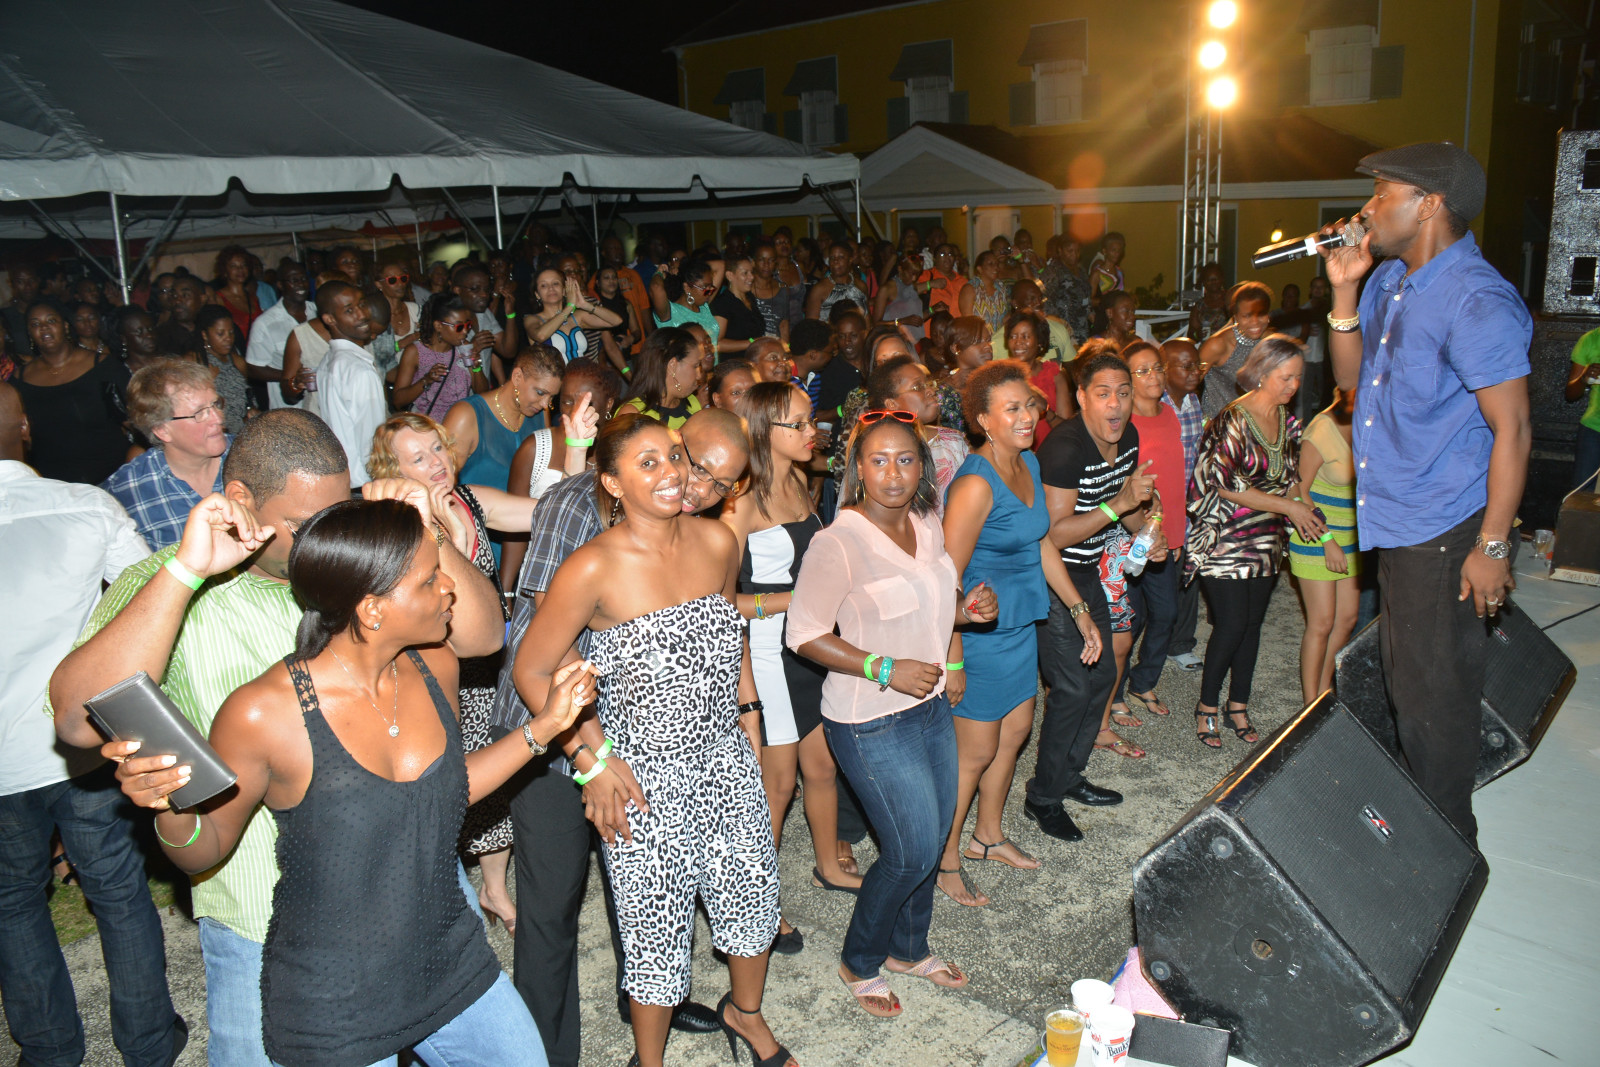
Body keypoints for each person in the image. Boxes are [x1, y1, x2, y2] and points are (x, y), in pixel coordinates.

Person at [48, 411, 489, 1064]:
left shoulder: (357, 563)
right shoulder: (174, 583)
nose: (324, 534)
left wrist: (422, 531)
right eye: (305, 523)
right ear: (241, 500)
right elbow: (74, 720)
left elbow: (481, 638)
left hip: (417, 884)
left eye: (337, 510)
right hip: (266, 914)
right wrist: (185, 574)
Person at [104, 494, 590, 1067]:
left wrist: (543, 728)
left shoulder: (435, 664)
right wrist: (170, 806)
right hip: (335, 999)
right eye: (429, 580)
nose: (448, 589)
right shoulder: (264, 714)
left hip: (449, 959)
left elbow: (448, 789)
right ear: (372, 609)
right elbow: (202, 850)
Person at [512, 414, 791, 1067]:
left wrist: (749, 715)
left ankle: (746, 1013)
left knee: (752, 896)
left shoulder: (718, 541)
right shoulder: (592, 567)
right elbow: (532, 670)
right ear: (612, 482)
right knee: (656, 932)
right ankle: (650, 1058)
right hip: (642, 775)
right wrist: (591, 762)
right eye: (647, 463)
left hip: (724, 756)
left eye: (673, 456)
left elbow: (727, 628)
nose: (671, 473)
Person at [1320, 142, 1531, 844]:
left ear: (1430, 204)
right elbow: (1350, 382)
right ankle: (1421, 829)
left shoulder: (1476, 299)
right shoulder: (1388, 280)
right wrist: (1344, 292)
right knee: (1405, 687)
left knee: (1434, 706)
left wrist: (1492, 546)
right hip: (1398, 517)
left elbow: (1514, 429)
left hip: (1445, 526)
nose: (1368, 208)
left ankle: (1444, 854)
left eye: (1384, 194)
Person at [787, 410, 997, 1019]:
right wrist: (884, 667)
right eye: (878, 461)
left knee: (931, 838)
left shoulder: (927, 523)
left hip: (929, 708)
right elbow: (802, 634)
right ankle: (860, 960)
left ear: (922, 467)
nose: (893, 473)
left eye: (905, 460)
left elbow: (932, 600)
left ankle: (909, 949)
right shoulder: (838, 542)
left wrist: (966, 611)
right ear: (858, 469)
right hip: (869, 719)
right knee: (908, 850)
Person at [0, 383, 186, 1067]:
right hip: (80, 742)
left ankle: (49, 1051)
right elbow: (146, 596)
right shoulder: (84, 505)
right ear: (25, 425)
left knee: (12, 902)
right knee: (117, 889)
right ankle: (148, 1042)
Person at [365, 409, 587, 934]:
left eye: (437, 448)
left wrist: (577, 447)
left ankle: (493, 887)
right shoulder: (394, 521)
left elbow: (558, 511)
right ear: (392, 471)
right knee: (446, 786)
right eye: (417, 458)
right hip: (437, 670)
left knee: (499, 777)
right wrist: (449, 532)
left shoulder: (470, 498)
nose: (435, 463)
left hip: (491, 666)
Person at [937, 361, 1098, 907]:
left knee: (1015, 733)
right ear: (983, 420)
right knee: (975, 752)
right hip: (979, 636)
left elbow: (1040, 542)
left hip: (1021, 625)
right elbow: (945, 579)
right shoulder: (974, 484)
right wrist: (953, 657)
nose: (1028, 415)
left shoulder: (1027, 459)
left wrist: (1078, 609)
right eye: (1012, 408)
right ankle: (946, 858)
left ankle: (988, 835)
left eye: (1030, 404)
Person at [721, 383, 855, 947]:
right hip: (767, 653)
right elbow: (719, 600)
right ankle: (757, 907)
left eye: (809, 420)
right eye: (798, 424)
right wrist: (793, 600)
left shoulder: (800, 480)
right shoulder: (738, 501)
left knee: (821, 767)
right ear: (763, 430)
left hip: (810, 644)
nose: (812, 432)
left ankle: (828, 865)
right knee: (775, 788)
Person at [1029, 352, 1161, 841]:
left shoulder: (1128, 436)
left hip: (1088, 570)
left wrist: (1146, 531)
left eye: (1123, 393)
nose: (1116, 404)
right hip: (1052, 576)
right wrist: (1118, 504)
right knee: (1071, 688)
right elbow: (1053, 535)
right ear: (1082, 397)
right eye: (1103, 393)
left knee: (1103, 674)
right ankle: (1042, 797)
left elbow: (1128, 509)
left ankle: (1069, 776)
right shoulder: (1065, 449)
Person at [1185, 334, 1319, 749]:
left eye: (1297, 377)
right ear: (1261, 373)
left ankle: (1238, 705)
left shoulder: (1287, 421)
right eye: (1285, 377)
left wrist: (1309, 513)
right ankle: (1207, 705)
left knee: (1253, 626)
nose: (1293, 385)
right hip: (1225, 536)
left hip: (1267, 540)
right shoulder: (1233, 419)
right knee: (1230, 625)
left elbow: (1293, 479)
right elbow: (1225, 485)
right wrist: (1289, 506)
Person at [1104, 340, 1186, 728]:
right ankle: (1115, 693)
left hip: (1166, 534)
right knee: (1130, 619)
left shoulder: (1171, 414)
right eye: (1142, 370)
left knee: (1167, 613)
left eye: (1157, 367)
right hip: (1131, 534)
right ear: (1128, 381)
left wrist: (1177, 532)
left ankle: (1143, 681)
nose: (1153, 375)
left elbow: (1175, 477)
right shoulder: (1123, 424)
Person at [501, 358, 625, 582]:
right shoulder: (535, 448)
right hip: (543, 576)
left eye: (587, 403)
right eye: (567, 401)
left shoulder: (620, 454)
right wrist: (506, 589)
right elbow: (513, 530)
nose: (576, 411)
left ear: (608, 404)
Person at [102, 361, 232, 551]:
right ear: (162, 430)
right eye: (200, 413)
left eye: (215, 404)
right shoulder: (126, 491)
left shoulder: (252, 453)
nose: (218, 418)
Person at [1290, 386, 1361, 705]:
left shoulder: (1368, 424)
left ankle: (1322, 693)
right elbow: (1298, 492)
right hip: (1317, 535)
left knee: (1347, 619)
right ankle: (1308, 707)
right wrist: (1327, 539)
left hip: (1352, 538)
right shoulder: (1322, 429)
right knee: (1322, 622)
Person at [13, 302, 131, 484]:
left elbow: (132, 419)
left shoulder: (104, 367)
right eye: (35, 324)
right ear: (29, 332)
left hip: (109, 477)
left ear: (66, 326)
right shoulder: (20, 379)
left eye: (51, 321)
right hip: (55, 483)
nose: (44, 328)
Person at [1159, 336, 1207, 673]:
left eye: (1197, 365)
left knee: (1189, 576)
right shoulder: (1154, 405)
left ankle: (1180, 644)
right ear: (1164, 370)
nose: (1195, 372)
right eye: (1186, 366)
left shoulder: (1193, 402)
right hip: (1159, 508)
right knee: (1157, 582)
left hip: (1189, 506)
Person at [866, 355, 968, 513]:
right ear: (892, 404)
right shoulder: (873, 450)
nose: (931, 391)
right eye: (917, 387)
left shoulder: (953, 442)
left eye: (929, 384)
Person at [310, 281, 385, 488]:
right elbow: (372, 441)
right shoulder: (359, 370)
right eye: (349, 310)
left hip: (344, 476)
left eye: (362, 305)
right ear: (329, 319)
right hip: (365, 480)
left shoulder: (329, 360)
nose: (362, 315)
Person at [396, 294, 492, 419]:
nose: (465, 332)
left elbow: (483, 394)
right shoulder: (415, 352)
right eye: (459, 327)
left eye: (468, 325)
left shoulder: (464, 348)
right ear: (438, 326)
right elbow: (398, 401)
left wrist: (477, 368)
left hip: (460, 423)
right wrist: (426, 380)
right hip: (428, 424)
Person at [1198, 281, 1273, 421]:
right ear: (1235, 316)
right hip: (1218, 425)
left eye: (1261, 314)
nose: (1255, 322)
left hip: (1255, 424)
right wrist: (1201, 422)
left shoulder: (1271, 341)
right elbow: (1189, 382)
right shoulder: (1218, 345)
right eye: (1247, 316)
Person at [245, 260, 311, 410]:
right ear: (280, 285)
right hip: (289, 409)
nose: (301, 284)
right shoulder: (265, 324)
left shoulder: (318, 312)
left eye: (303, 279)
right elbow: (254, 368)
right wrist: (291, 378)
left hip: (321, 404)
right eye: (294, 280)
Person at [526, 268, 621, 364]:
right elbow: (541, 336)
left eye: (555, 283)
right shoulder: (531, 319)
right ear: (537, 294)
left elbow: (616, 321)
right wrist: (569, 307)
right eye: (544, 285)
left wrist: (585, 305)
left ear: (564, 290)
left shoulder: (577, 317)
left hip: (583, 372)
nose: (551, 288)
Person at [621, 326, 704, 429]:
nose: (699, 375)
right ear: (672, 365)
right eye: (695, 366)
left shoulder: (692, 403)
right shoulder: (632, 414)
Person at [192, 305, 255, 434]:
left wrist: (251, 411)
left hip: (242, 432)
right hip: (214, 432)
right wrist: (207, 381)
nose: (228, 338)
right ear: (205, 335)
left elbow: (248, 397)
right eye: (220, 334)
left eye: (231, 332)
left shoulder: (237, 361)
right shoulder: (196, 361)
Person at [454, 263, 520, 383]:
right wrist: (471, 348)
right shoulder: (448, 320)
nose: (484, 294)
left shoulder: (484, 314)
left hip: (482, 390)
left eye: (486, 289)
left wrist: (510, 315)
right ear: (457, 290)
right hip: (457, 392)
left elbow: (508, 351)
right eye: (475, 289)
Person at [648, 255, 722, 349]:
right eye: (705, 287)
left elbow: (720, 265)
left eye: (711, 287)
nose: (709, 292)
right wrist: (659, 272)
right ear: (687, 288)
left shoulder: (704, 307)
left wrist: (684, 267)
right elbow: (656, 287)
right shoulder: (670, 313)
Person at [370, 259, 421, 384]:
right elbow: (374, 355)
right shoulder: (373, 316)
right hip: (385, 382)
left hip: (416, 380)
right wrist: (403, 343)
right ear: (379, 285)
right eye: (392, 280)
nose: (400, 284)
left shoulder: (415, 310)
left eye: (403, 278)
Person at [751, 238, 804, 344]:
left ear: (775, 264)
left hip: (776, 345)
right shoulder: (746, 288)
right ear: (754, 262)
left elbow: (784, 325)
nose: (766, 264)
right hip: (752, 345)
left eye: (771, 260)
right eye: (762, 260)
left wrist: (786, 349)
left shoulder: (782, 289)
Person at [712, 254, 766, 356]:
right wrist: (753, 342)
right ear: (730, 276)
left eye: (752, 272)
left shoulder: (750, 297)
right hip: (735, 362)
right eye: (745, 273)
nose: (751, 277)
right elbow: (717, 344)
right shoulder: (723, 303)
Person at [1040, 238, 1092, 344]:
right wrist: (1055, 319)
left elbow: (1085, 295)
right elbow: (1041, 296)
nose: (1074, 255)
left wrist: (1090, 312)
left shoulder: (1081, 271)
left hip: (1082, 327)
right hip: (1063, 329)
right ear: (1060, 251)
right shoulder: (1054, 271)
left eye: (1077, 251)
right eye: (1070, 251)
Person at [1567, 326, 1600, 491]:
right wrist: (1584, 378)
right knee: (1582, 497)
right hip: (1594, 430)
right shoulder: (1591, 339)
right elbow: (1570, 394)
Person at [592, 266, 643, 374]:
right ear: (598, 283)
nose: (611, 281)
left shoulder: (626, 304)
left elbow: (637, 331)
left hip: (625, 359)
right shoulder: (595, 306)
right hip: (603, 361)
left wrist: (630, 339)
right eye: (606, 278)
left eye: (614, 277)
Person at [806, 242, 870, 324]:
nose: (835, 261)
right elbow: (810, 324)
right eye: (832, 258)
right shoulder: (819, 289)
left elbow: (867, 319)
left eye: (841, 257)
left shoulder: (860, 286)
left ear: (850, 260)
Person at [118, 306, 188, 375]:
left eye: (150, 329)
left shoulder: (173, 364)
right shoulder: (119, 373)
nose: (149, 335)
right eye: (139, 332)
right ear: (124, 339)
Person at [212, 246, 261, 342]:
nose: (240, 269)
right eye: (233, 266)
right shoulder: (218, 299)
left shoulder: (253, 298)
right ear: (225, 271)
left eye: (244, 265)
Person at [873, 253, 926, 341]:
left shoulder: (912, 286)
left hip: (912, 339)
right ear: (900, 269)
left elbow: (915, 319)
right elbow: (876, 323)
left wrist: (932, 310)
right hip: (893, 339)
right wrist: (901, 321)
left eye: (917, 274)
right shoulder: (887, 289)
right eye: (911, 274)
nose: (914, 278)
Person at [155, 276, 206, 359]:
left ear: (202, 299)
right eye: (174, 296)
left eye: (185, 295)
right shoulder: (161, 337)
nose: (178, 301)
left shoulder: (210, 329)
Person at [959, 251, 1010, 334]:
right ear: (980, 269)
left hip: (999, 338)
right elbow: (967, 322)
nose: (996, 267)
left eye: (997, 264)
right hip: (978, 338)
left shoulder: (1001, 288)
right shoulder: (970, 289)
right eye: (991, 264)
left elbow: (1004, 318)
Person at [940, 315, 994, 393]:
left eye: (988, 340)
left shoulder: (997, 376)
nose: (988, 346)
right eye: (978, 342)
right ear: (956, 348)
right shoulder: (945, 392)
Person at [916, 244, 968, 316]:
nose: (947, 257)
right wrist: (930, 284)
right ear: (934, 259)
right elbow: (908, 293)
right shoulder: (927, 275)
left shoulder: (963, 281)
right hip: (933, 322)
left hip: (958, 322)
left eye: (950, 254)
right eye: (942, 254)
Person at [1187, 263, 1229, 344]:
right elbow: (1191, 333)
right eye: (1209, 280)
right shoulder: (1199, 306)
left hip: (1228, 346)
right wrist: (1197, 335)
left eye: (1216, 279)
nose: (1213, 282)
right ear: (1203, 282)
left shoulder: (1230, 299)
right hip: (1207, 346)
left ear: (1222, 279)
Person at [1088, 232, 1126, 302]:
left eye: (1119, 250)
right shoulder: (1097, 274)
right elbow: (1088, 301)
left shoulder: (1120, 272)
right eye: (1113, 250)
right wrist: (1104, 302)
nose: (1117, 253)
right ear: (1104, 251)